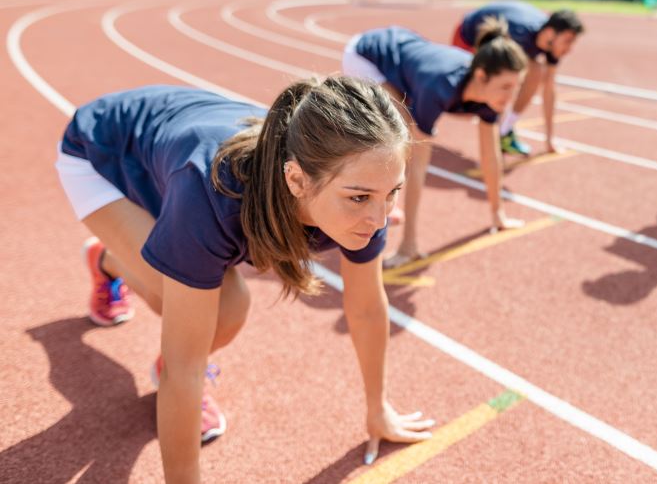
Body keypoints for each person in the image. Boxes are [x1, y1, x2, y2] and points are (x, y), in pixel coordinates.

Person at [55, 78, 434, 482]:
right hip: (103, 154)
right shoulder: (212, 194)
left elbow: (366, 308)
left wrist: (378, 408)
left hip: (174, 156)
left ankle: (112, 259)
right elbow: (182, 369)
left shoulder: (363, 190)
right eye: (360, 198)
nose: (379, 220)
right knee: (221, 309)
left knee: (212, 308)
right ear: (296, 180)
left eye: (393, 191)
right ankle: (113, 260)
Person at [343, 20, 528, 268]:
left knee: (406, 130)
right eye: (506, 87)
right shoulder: (439, 87)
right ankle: (379, 210)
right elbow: (418, 168)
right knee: (397, 139)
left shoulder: (490, 96)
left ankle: (384, 202)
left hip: (407, 54)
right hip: (368, 56)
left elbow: (490, 154)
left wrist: (498, 215)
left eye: (516, 87)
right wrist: (409, 246)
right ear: (481, 76)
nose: (510, 97)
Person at [452, 1, 585, 156]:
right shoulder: (517, 33)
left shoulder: (552, 44)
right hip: (467, 36)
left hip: (503, 37)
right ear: (550, 33)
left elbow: (549, 89)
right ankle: (496, 133)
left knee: (536, 71)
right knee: (483, 90)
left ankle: (505, 130)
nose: (569, 49)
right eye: (567, 41)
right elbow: (498, 77)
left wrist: (549, 140)